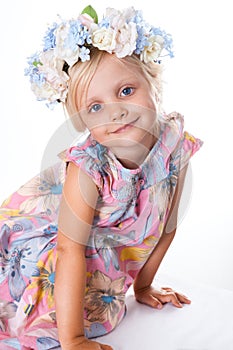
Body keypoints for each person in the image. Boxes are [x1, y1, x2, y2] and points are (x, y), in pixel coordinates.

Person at [0, 5, 203, 350]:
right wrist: (74, 339)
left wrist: (142, 287)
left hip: (99, 258)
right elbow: (69, 250)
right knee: (46, 317)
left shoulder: (175, 147)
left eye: (126, 91)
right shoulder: (89, 168)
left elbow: (167, 225)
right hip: (55, 252)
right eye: (95, 107)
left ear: (154, 84)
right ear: (82, 123)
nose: (117, 110)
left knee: (104, 304)